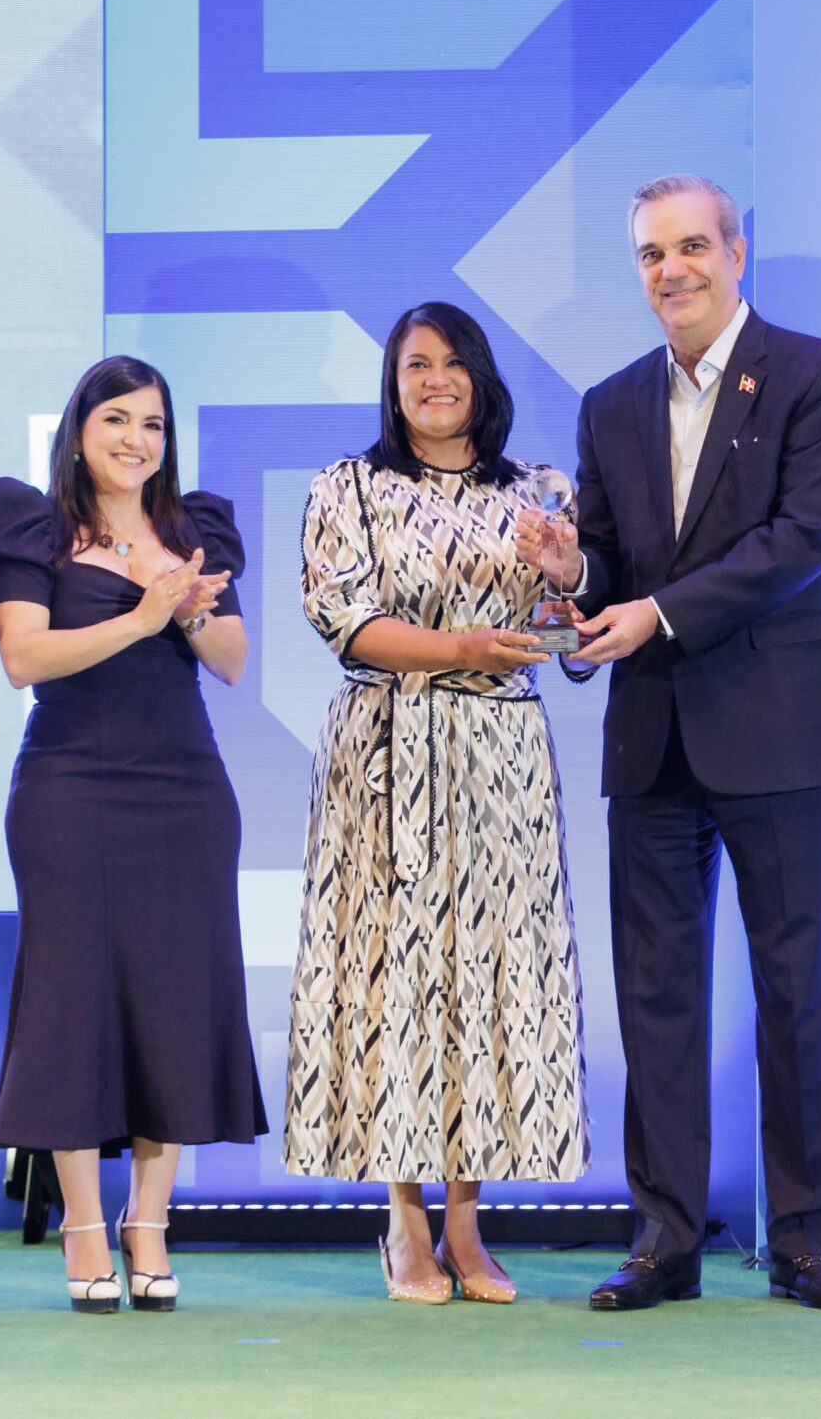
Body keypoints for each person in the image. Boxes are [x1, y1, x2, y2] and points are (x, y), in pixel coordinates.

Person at [523, 174, 821, 1313]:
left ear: (735, 250)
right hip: (654, 735)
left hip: (783, 729)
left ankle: (807, 1239)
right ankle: (665, 1237)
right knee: (657, 996)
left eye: (690, 247)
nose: (670, 270)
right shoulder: (611, 401)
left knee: (796, 992)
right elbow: (611, 564)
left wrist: (655, 614)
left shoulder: (819, 375)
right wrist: (575, 571)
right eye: (649, 254)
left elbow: (800, 540)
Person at [286, 301, 589, 1306]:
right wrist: (460, 647)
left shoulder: (536, 488)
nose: (436, 380)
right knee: (395, 973)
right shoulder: (347, 486)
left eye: (454, 362)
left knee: (487, 978)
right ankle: (403, 1219)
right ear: (393, 379)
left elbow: (568, 639)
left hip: (502, 756)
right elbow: (344, 618)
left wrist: (568, 576)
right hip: (385, 750)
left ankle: (466, 1223)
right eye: (416, 363)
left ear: (482, 376)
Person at [0, 356, 267, 1314]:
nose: (137, 440)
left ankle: (150, 1223)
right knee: (72, 1004)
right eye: (117, 420)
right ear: (79, 430)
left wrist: (188, 608)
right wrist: (141, 616)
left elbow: (231, 661)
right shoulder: (33, 527)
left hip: (184, 791)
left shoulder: (193, 528)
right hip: (69, 788)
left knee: (172, 1001)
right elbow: (24, 657)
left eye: (153, 424)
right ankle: (84, 1227)